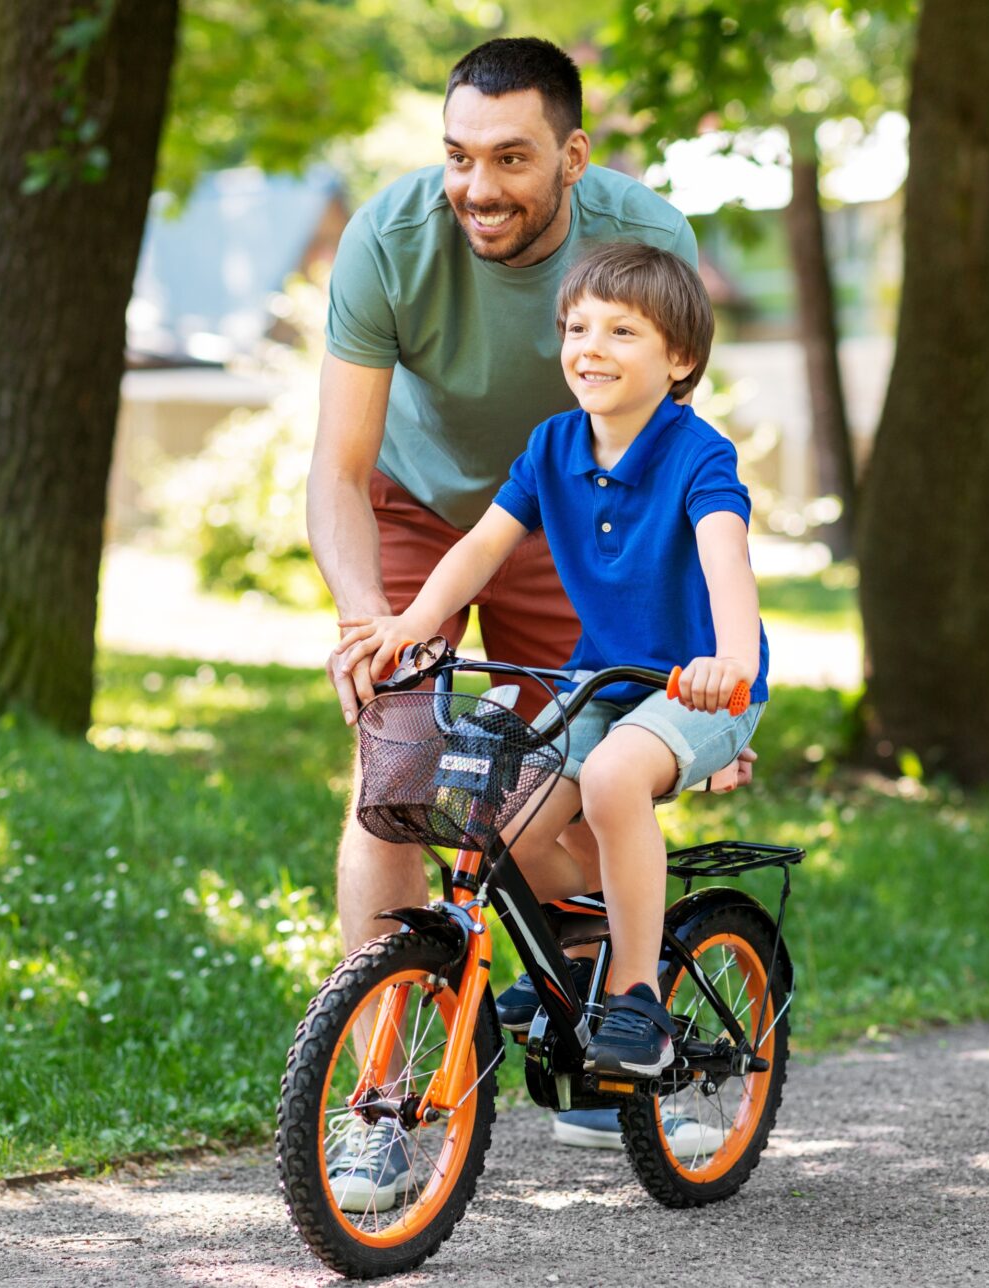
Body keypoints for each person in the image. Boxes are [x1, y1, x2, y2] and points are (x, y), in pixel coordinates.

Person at [308, 35, 754, 1160]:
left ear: (573, 157)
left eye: (511, 158)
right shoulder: (391, 239)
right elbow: (338, 468)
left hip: (578, 515)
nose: (478, 186)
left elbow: (681, 478)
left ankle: (602, 1014)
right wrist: (373, 628)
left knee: (573, 786)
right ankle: (380, 1102)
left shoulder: (645, 236)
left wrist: (713, 674)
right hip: (430, 513)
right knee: (399, 775)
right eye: (459, 155)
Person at [335, 239, 770, 1087]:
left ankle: (637, 995)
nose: (591, 347)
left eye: (622, 331)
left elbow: (728, 562)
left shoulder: (698, 455)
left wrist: (732, 662)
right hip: (602, 678)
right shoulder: (553, 446)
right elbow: (481, 547)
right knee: (503, 823)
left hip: (699, 686)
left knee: (611, 779)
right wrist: (412, 623)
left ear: (680, 360)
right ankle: (582, 950)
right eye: (577, 328)